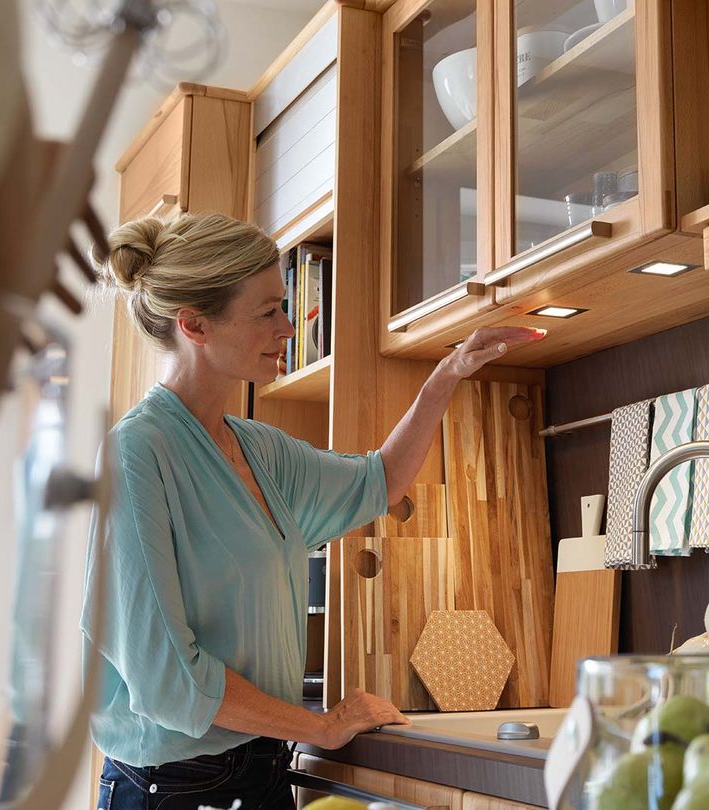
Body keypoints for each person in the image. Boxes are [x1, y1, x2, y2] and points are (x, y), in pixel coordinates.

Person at [82, 212, 543, 809]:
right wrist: (321, 727)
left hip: (262, 771)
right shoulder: (136, 454)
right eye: (268, 310)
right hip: (175, 787)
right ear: (195, 325)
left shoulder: (260, 449)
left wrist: (447, 375)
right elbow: (168, 679)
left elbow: (380, 481)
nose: (289, 325)